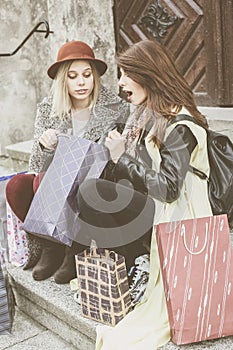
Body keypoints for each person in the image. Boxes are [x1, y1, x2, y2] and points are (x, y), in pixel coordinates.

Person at [77, 39, 213, 349]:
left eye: (127, 74)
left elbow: (167, 188)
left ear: (148, 75)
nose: (121, 82)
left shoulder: (181, 124)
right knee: (95, 191)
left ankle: (138, 262)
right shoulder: (157, 115)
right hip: (166, 210)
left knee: (95, 193)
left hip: (182, 219)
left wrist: (120, 157)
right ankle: (135, 261)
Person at [5, 40, 129, 284]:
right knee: (18, 184)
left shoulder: (116, 108)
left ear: (95, 77)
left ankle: (75, 249)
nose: (81, 82)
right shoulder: (48, 108)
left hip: (93, 183)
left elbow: (116, 162)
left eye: (87, 75)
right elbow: (36, 162)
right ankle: (52, 246)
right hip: (53, 186)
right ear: (63, 80)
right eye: (73, 76)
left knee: (72, 180)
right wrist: (45, 146)